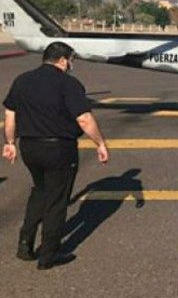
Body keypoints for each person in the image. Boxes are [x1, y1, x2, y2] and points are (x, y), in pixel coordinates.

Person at [2, 42, 109, 270]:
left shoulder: (22, 80)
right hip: (59, 149)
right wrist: (100, 143)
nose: (71, 65)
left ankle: (25, 243)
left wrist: (10, 143)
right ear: (62, 60)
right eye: (71, 60)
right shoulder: (68, 84)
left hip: (30, 147)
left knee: (39, 191)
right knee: (57, 200)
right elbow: (84, 119)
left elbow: (10, 114)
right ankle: (49, 254)